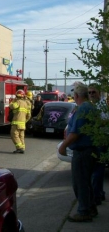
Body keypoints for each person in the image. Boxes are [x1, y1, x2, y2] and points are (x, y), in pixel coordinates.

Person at [59, 82, 98, 222]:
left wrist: (63, 146)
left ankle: (84, 211)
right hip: (89, 150)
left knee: (80, 182)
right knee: (86, 182)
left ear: (76, 95)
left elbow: (76, 133)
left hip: (83, 151)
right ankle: (91, 207)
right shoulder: (88, 107)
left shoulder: (83, 108)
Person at [88, 83, 109, 205]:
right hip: (96, 139)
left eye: (93, 92)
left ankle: (96, 196)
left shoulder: (101, 105)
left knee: (96, 169)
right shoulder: (93, 105)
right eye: (89, 92)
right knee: (98, 169)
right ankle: (99, 194)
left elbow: (106, 121)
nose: (91, 95)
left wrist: (94, 122)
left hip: (101, 139)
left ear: (99, 93)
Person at [9, 89, 31, 154]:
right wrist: (25, 121)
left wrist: (12, 102)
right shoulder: (26, 103)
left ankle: (20, 148)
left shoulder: (18, 102)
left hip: (16, 123)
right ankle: (22, 148)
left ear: (17, 96)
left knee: (14, 135)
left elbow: (12, 106)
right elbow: (29, 115)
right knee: (21, 136)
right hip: (23, 123)